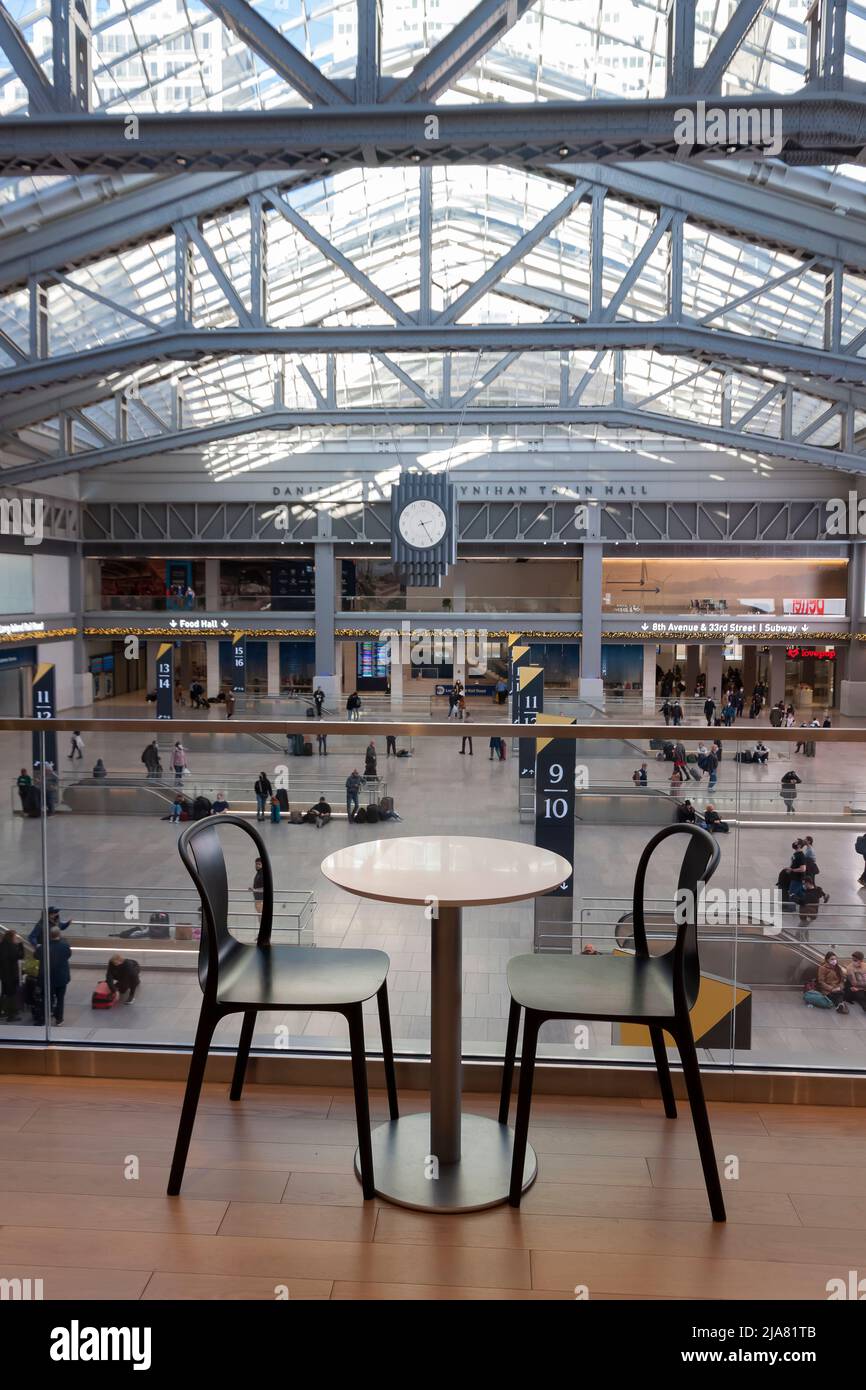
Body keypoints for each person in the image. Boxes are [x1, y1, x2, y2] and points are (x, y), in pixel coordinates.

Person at [36, 926, 71, 1026]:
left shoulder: (43, 947)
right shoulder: (65, 946)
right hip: (61, 977)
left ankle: (44, 1018)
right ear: (59, 934)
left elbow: (36, 956)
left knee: (47, 998)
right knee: (60, 999)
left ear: (49, 935)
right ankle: (59, 1019)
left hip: (47, 977)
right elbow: (68, 955)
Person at [0, 930, 23, 1021]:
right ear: (11, 937)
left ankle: (3, 1011)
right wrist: (20, 945)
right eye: (15, 936)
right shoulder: (12, 947)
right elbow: (20, 956)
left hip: (3, 974)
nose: (16, 938)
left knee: (5, 993)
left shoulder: (1, 945)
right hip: (12, 974)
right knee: (12, 994)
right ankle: (11, 1015)